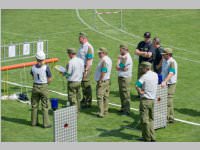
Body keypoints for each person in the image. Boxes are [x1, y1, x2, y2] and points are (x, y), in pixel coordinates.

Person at [135, 62, 158, 142]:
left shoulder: (144, 76)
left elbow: (137, 85)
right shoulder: (155, 75)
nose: (141, 69)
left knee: (145, 120)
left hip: (145, 100)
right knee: (151, 119)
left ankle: (147, 138)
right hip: (152, 100)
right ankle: (153, 137)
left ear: (146, 68)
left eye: (143, 68)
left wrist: (140, 91)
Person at [30, 51, 52, 128]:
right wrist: (46, 84)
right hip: (43, 87)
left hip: (35, 86)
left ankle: (33, 122)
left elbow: (33, 76)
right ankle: (46, 124)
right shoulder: (46, 67)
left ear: (36, 58)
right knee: (45, 106)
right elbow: (49, 78)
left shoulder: (33, 67)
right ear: (43, 59)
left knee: (34, 105)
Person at [63, 48, 84, 112]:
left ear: (71, 54)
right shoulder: (81, 61)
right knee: (78, 97)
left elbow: (68, 74)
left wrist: (64, 74)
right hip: (79, 81)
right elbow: (83, 71)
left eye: (68, 54)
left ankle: (74, 111)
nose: (68, 55)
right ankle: (78, 108)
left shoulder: (71, 62)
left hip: (72, 83)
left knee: (72, 98)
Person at [77, 32, 94, 108]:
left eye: (80, 38)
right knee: (83, 84)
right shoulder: (82, 46)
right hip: (81, 67)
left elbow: (89, 59)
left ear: (84, 38)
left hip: (86, 67)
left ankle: (88, 102)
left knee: (86, 84)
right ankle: (84, 99)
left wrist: (86, 70)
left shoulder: (88, 47)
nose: (78, 39)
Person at [161, 48, 178, 123]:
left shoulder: (172, 62)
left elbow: (171, 73)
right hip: (166, 83)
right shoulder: (165, 60)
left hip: (170, 84)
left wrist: (164, 81)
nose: (163, 55)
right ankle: (171, 117)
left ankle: (166, 119)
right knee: (168, 101)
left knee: (168, 101)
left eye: (164, 54)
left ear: (168, 55)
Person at [95, 47, 112, 118]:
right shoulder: (108, 59)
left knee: (100, 96)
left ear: (104, 53)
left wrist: (100, 80)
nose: (98, 54)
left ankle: (101, 112)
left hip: (103, 81)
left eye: (100, 53)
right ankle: (105, 110)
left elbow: (103, 71)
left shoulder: (104, 61)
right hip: (107, 80)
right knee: (106, 96)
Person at [116, 44, 133, 115]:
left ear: (125, 49)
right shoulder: (123, 57)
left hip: (125, 78)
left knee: (125, 94)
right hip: (121, 77)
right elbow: (117, 67)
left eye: (121, 49)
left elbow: (121, 67)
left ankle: (127, 110)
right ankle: (123, 108)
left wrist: (119, 60)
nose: (120, 50)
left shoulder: (127, 57)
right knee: (122, 94)